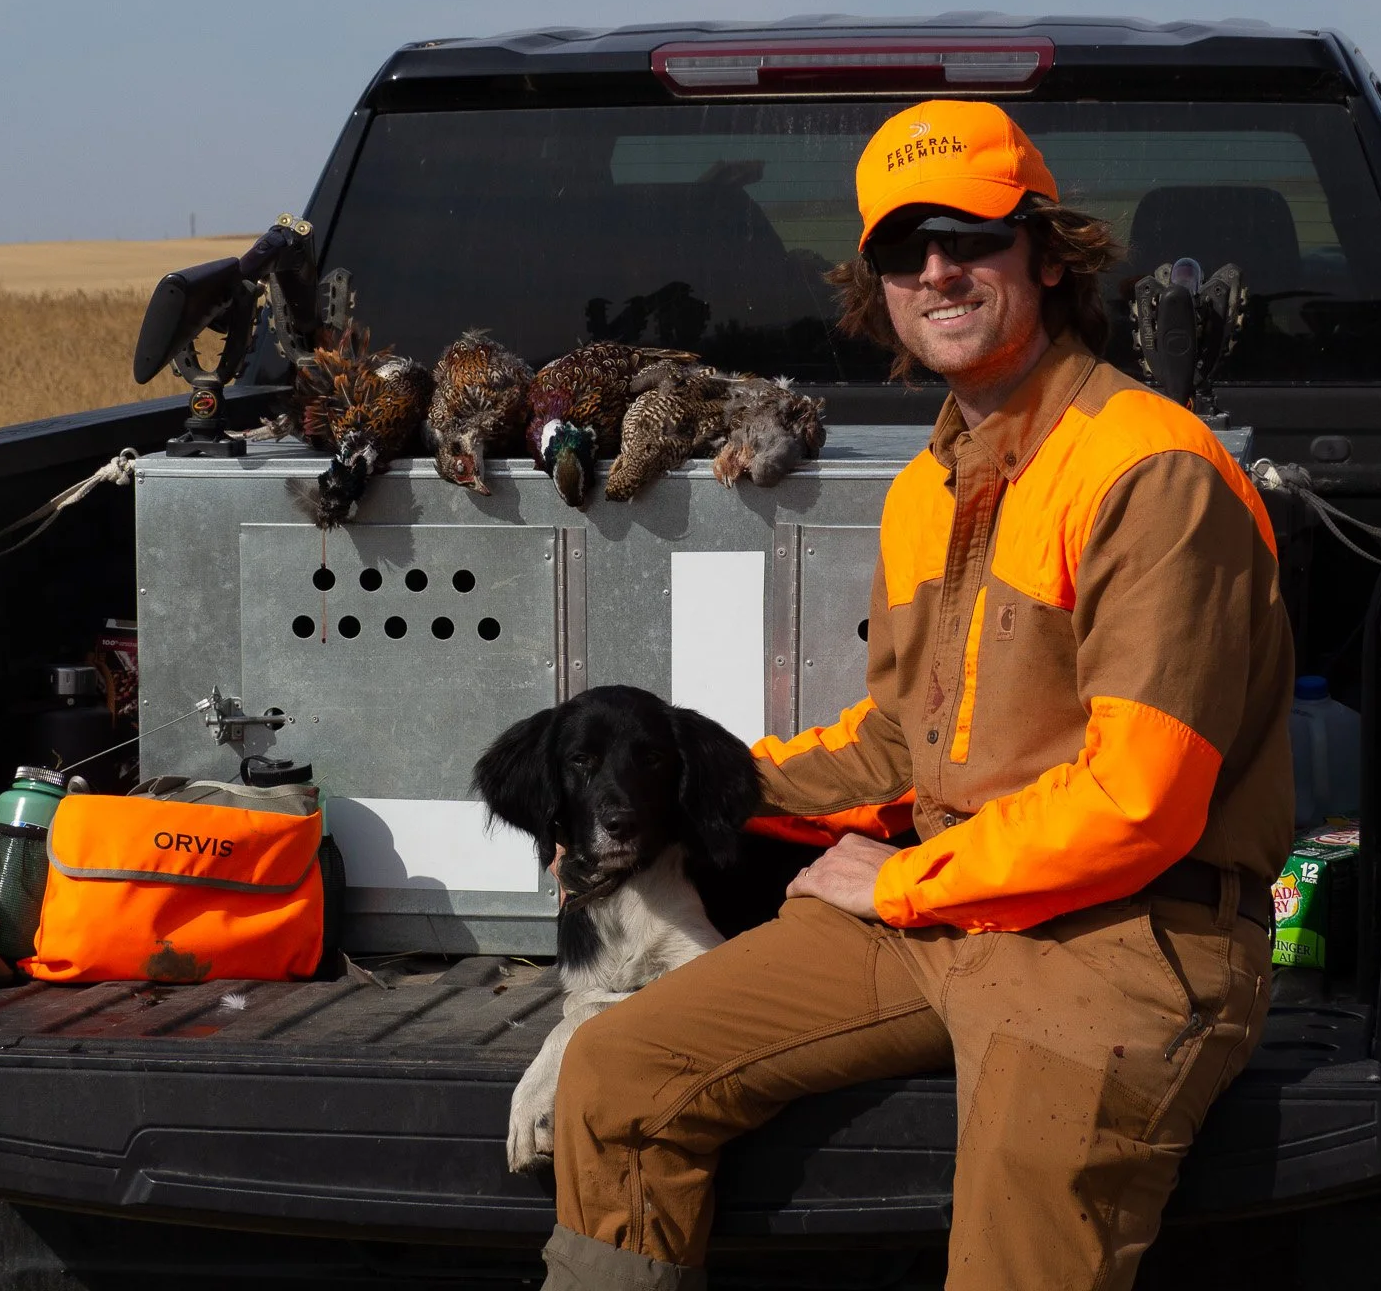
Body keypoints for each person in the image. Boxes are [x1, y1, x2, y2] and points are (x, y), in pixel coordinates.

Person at [538, 100, 1295, 1291]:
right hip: (935, 912)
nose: (936, 269)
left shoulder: (1147, 469)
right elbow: (902, 736)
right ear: (875, 285)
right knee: (612, 1079)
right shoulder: (922, 491)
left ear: (1045, 254)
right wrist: (684, 787)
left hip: (1125, 934)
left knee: (1012, 1252)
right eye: (902, 248)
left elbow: (1138, 801)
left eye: (970, 236)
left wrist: (898, 879)